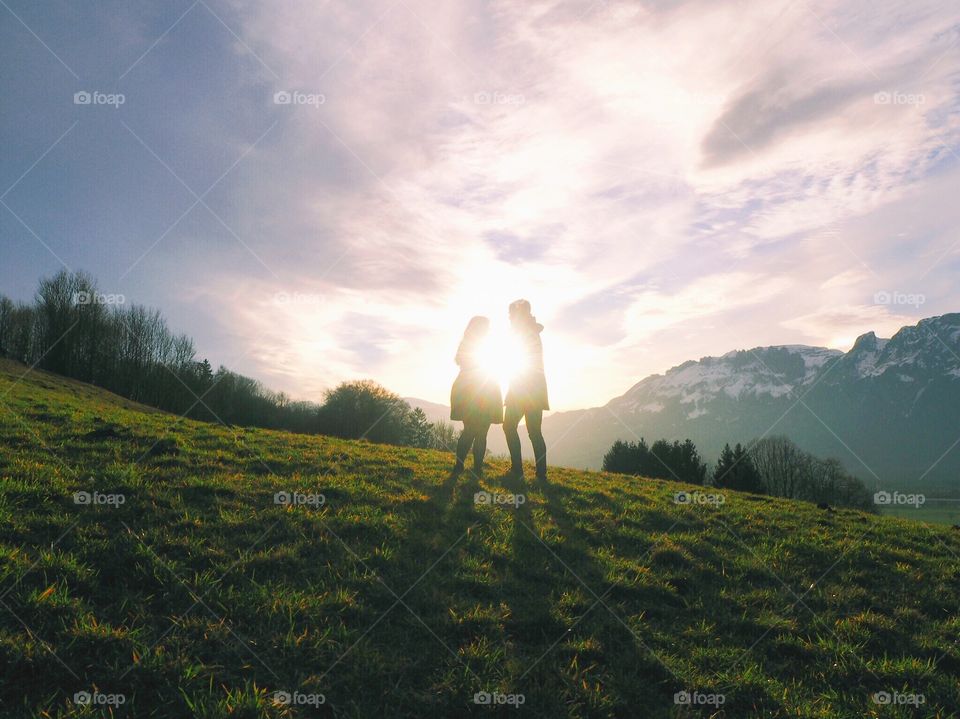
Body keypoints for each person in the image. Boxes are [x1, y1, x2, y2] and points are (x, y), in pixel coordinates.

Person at [450, 316, 503, 477]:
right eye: (486, 327)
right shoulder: (475, 345)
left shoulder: (474, 344)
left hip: (483, 389)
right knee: (473, 430)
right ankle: (464, 467)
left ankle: (471, 467)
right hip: (473, 391)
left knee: (477, 431)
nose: (488, 330)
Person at [503, 299, 549, 481]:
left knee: (509, 426)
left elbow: (518, 365)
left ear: (518, 315)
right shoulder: (531, 332)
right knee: (535, 432)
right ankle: (541, 474)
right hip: (536, 388)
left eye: (511, 314)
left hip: (523, 388)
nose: (509, 318)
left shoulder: (521, 333)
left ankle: (517, 470)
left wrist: (511, 391)